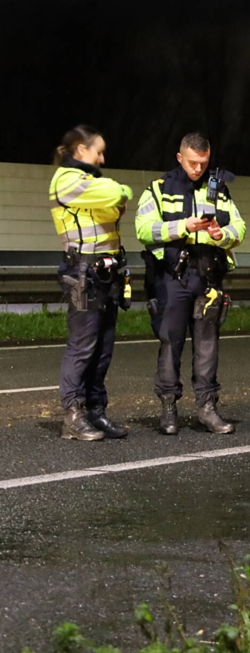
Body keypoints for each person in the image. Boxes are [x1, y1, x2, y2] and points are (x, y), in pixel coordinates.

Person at [135, 132, 246, 435]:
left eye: (204, 163)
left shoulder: (218, 190)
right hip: (174, 277)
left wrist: (222, 235)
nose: (198, 169)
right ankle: (168, 408)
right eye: (193, 162)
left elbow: (239, 226)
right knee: (170, 343)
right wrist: (182, 226)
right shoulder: (159, 189)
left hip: (208, 276)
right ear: (180, 157)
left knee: (207, 345)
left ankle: (207, 409)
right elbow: (143, 229)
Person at [49, 125, 134, 441]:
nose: (102, 159)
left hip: (106, 271)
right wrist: (118, 191)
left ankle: (95, 411)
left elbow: (115, 204)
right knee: (82, 346)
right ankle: (73, 416)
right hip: (83, 272)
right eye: (98, 152)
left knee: (102, 347)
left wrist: (118, 194)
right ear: (81, 149)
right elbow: (117, 194)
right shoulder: (66, 180)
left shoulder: (89, 183)